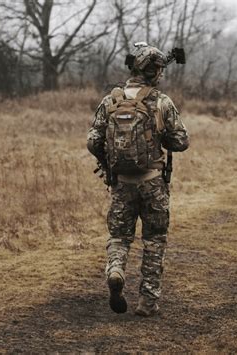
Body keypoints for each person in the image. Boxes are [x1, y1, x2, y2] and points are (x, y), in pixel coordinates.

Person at [87, 43, 189, 316]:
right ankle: (148, 302)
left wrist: (108, 162)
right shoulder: (161, 102)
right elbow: (181, 142)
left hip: (121, 183)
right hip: (154, 183)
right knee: (154, 241)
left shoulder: (111, 100)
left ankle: (117, 270)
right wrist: (160, 136)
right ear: (155, 72)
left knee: (119, 237)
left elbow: (93, 140)